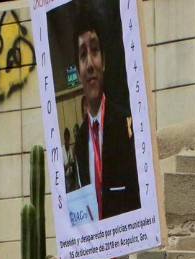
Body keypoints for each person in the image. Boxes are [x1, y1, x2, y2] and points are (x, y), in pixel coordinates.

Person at [66, 4, 140, 219]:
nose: (89, 64)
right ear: (78, 70)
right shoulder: (80, 141)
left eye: (95, 51)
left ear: (104, 61)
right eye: (82, 55)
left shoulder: (128, 125)